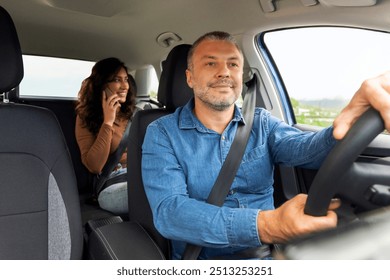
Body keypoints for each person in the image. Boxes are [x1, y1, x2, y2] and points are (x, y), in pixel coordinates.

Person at [141, 31, 390, 260]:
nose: (224, 72)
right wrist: (268, 225)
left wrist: (350, 119)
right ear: (190, 78)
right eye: (210, 63)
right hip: (201, 261)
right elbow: (170, 213)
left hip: (268, 257)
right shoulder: (162, 132)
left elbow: (307, 149)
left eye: (233, 64)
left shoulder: (261, 123)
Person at [75, 57, 136, 214]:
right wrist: (108, 122)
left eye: (126, 80)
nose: (124, 86)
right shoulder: (85, 117)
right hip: (112, 184)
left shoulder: (136, 114)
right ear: (102, 85)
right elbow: (95, 166)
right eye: (117, 80)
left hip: (140, 176)